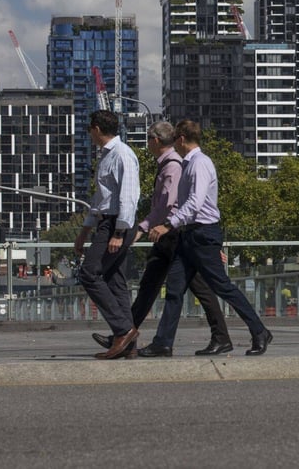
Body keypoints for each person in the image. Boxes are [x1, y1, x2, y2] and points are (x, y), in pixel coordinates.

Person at [91, 121, 232, 357]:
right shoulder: (169, 165)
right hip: (167, 235)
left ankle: (219, 336)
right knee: (149, 287)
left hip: (173, 235)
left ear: (156, 141)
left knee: (200, 288)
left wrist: (142, 228)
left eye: (148, 139)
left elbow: (169, 206)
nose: (146, 144)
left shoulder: (173, 167)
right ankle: (125, 334)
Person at [145, 119, 272, 356]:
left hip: (202, 234)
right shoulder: (189, 164)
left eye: (175, 140)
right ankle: (162, 342)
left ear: (181, 139)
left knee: (222, 287)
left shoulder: (200, 164)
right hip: (190, 235)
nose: (174, 145)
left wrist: (167, 225)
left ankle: (259, 331)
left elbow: (195, 202)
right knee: (174, 289)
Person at [74, 109, 141, 360]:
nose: (90, 134)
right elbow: (100, 198)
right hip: (107, 222)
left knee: (89, 274)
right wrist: (84, 231)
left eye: (90, 129)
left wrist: (119, 232)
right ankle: (128, 344)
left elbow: (129, 196)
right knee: (113, 280)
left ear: (97, 129)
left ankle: (123, 330)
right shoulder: (105, 156)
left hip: (117, 224)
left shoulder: (122, 154)